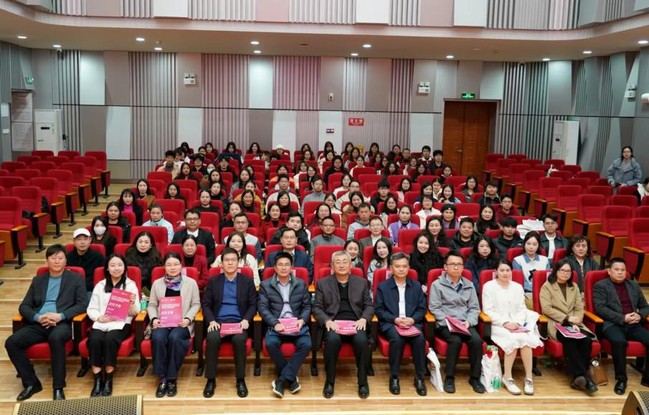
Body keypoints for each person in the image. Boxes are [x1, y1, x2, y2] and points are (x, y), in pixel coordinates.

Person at [5, 244, 87, 401]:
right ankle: (31, 383)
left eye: (60, 258)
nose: (57, 261)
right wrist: (38, 317)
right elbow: (24, 306)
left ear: (66, 261)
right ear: (47, 260)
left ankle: (58, 387)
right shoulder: (38, 280)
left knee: (55, 338)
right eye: (53, 258)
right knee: (12, 342)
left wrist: (60, 316)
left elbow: (82, 304)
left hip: (61, 324)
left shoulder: (75, 279)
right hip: (39, 323)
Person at [313, 250, 374, 399]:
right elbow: (317, 308)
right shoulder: (323, 283)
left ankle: (362, 382)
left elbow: (369, 305)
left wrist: (364, 319)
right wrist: (327, 321)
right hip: (334, 323)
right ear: (332, 266)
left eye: (345, 262)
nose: (341, 265)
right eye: (338, 262)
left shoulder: (361, 282)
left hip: (355, 323)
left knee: (362, 340)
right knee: (332, 340)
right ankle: (329, 381)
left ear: (351, 265)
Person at [202, 248, 257, 398]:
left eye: (233, 260)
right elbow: (206, 304)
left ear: (238, 262)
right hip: (218, 322)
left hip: (238, 322)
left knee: (239, 340)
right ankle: (211, 380)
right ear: (221, 263)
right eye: (227, 260)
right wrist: (211, 320)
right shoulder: (214, 281)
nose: (230, 263)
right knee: (212, 338)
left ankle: (240, 379)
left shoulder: (247, 281)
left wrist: (246, 319)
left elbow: (253, 304)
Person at [482, 259, 542, 396]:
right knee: (513, 340)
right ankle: (507, 377)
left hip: (516, 324)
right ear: (496, 272)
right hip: (497, 324)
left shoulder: (517, 287)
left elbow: (522, 309)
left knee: (525, 339)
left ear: (511, 271)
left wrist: (517, 323)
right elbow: (488, 310)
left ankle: (529, 378)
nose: (505, 273)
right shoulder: (488, 286)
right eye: (502, 270)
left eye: (507, 270)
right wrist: (505, 323)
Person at [428, 250, 485, 394]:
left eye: (459, 264)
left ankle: (475, 378)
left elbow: (474, 308)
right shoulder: (437, 285)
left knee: (476, 341)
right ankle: (449, 377)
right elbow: (435, 308)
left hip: (464, 323)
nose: (456, 267)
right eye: (452, 264)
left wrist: (469, 322)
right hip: (446, 324)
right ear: (445, 267)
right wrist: (449, 322)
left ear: (463, 267)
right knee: (455, 341)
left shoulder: (469, 285)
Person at [540, 259, 598, 394]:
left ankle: (578, 378)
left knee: (586, 340)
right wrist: (567, 318)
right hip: (556, 322)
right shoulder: (547, 286)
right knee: (569, 339)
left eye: (568, 271)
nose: (565, 273)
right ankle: (585, 377)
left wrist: (575, 321)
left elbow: (579, 307)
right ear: (556, 271)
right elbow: (546, 309)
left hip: (575, 323)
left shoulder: (574, 286)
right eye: (562, 270)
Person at [258, 252, 312, 398]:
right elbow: (262, 308)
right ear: (275, 268)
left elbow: (307, 306)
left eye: (287, 264)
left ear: (291, 267)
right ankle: (291, 378)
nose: (283, 267)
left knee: (306, 344)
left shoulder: (301, 284)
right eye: (280, 265)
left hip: (296, 325)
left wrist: (302, 320)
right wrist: (274, 323)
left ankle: (281, 380)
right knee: (270, 343)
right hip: (277, 325)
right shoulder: (266, 285)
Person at [86, 254, 139, 397]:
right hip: (102, 322)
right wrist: (98, 317)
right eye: (113, 265)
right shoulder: (100, 285)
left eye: (120, 265)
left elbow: (136, 312)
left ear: (125, 268)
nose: (116, 268)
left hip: (121, 323)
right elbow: (91, 308)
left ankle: (108, 379)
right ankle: (98, 380)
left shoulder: (130, 285)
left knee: (110, 340)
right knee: (94, 340)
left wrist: (131, 303)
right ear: (107, 268)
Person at [593, 258, 649, 395]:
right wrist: (622, 318)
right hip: (612, 324)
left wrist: (640, 315)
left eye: (623, 270)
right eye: (616, 269)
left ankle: (647, 378)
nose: (620, 272)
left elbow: (645, 306)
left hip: (633, 324)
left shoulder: (633, 285)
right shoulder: (601, 286)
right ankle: (621, 379)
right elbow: (600, 308)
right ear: (609, 271)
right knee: (619, 342)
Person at [149, 252, 201, 398]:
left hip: (182, 323)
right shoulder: (157, 283)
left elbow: (196, 304)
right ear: (164, 267)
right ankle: (162, 378)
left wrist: (188, 319)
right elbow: (152, 305)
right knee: (158, 337)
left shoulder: (190, 283)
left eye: (176, 264)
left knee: (175, 338)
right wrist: (154, 319)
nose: (172, 267)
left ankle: (171, 378)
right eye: (169, 265)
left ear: (181, 265)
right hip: (163, 322)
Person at [375, 252, 428, 396]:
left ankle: (419, 377)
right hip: (391, 323)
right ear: (391, 268)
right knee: (397, 339)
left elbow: (422, 309)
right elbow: (379, 310)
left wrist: (412, 320)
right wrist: (395, 320)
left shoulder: (416, 286)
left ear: (409, 268)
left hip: (412, 323)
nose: (401, 269)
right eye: (397, 266)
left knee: (419, 339)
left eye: (404, 266)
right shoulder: (383, 287)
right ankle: (394, 376)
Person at [67, 227, 106, 296]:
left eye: (85, 239)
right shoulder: (67, 257)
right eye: (79, 239)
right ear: (74, 241)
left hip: (90, 290)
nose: (82, 242)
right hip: (71, 289)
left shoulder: (98, 257)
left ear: (90, 240)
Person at [513, 231, 551, 296]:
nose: (531, 247)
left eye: (534, 244)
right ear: (524, 244)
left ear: (538, 245)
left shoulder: (545, 260)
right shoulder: (517, 260)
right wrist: (535, 289)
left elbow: (548, 280)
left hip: (543, 292)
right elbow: (520, 282)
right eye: (528, 244)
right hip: (526, 293)